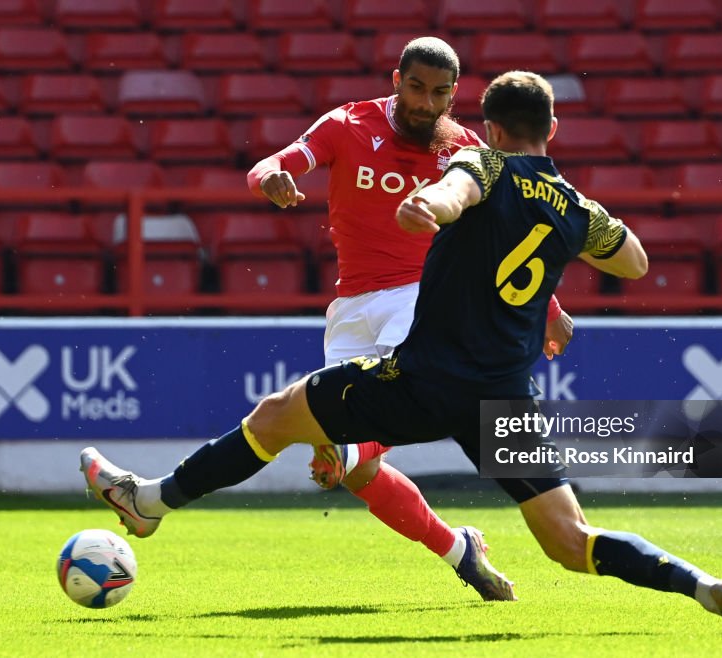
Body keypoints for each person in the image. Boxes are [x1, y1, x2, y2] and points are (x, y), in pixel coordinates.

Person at [80, 71, 722, 633]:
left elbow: (453, 193)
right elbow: (634, 262)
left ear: (487, 127)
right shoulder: (577, 208)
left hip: (421, 381)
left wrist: (433, 205)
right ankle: (703, 588)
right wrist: (580, 235)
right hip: (505, 401)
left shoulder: (481, 167)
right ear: (554, 128)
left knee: (275, 417)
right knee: (571, 542)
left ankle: (151, 502)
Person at [243, 35, 571, 600]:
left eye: (439, 92)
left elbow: (510, 241)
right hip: (352, 305)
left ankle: (345, 444)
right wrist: (269, 176)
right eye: (416, 87)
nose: (426, 102)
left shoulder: (466, 150)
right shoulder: (348, 123)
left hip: (423, 299)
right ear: (397, 81)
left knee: (372, 419)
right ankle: (458, 549)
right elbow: (277, 162)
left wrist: (549, 308)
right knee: (358, 474)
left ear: (454, 94)